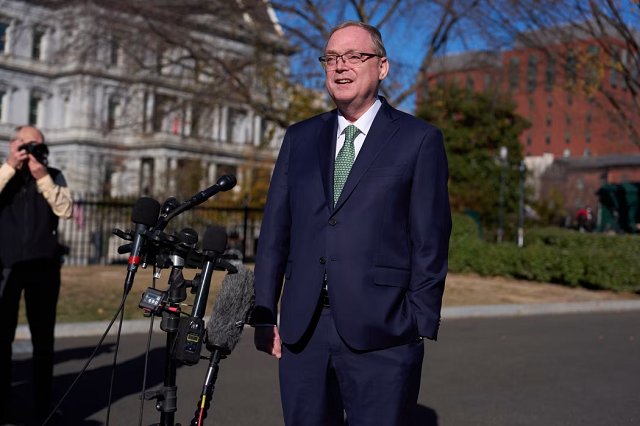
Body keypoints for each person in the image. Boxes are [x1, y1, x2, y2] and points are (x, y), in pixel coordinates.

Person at [251, 21, 452, 425]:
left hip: (384, 333)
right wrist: (264, 310)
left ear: (382, 67)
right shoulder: (299, 138)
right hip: (303, 333)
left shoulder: (418, 139)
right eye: (331, 58)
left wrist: (417, 321)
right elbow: (274, 232)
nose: (340, 66)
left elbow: (430, 240)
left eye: (355, 56)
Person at [0, 126, 72, 425]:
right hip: (6, 267)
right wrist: (10, 166)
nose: (32, 150)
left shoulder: (53, 175)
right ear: (14, 144)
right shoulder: (5, 174)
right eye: (27, 144)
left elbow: (65, 210)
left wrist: (42, 177)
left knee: (43, 340)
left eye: (38, 145)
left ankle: (44, 406)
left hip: (44, 268)